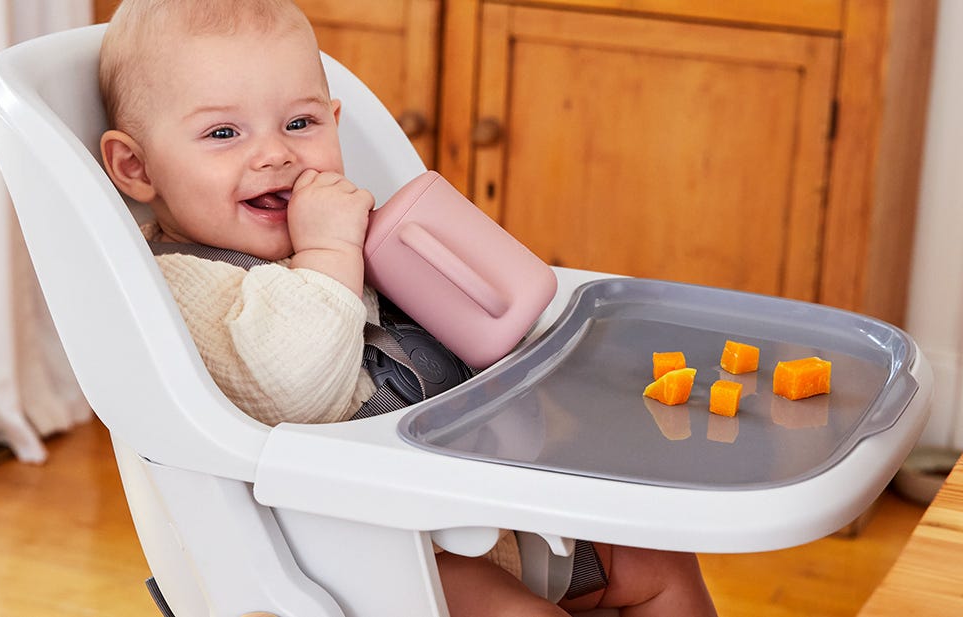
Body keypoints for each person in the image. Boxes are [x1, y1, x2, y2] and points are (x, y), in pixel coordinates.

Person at [97, 1, 718, 615]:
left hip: (472, 501)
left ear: (334, 122)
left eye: (300, 124)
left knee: (657, 561)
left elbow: (501, 317)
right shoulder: (177, 285)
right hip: (354, 548)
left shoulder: (346, 231)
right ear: (136, 166)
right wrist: (328, 249)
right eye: (223, 133)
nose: (276, 155)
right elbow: (291, 389)